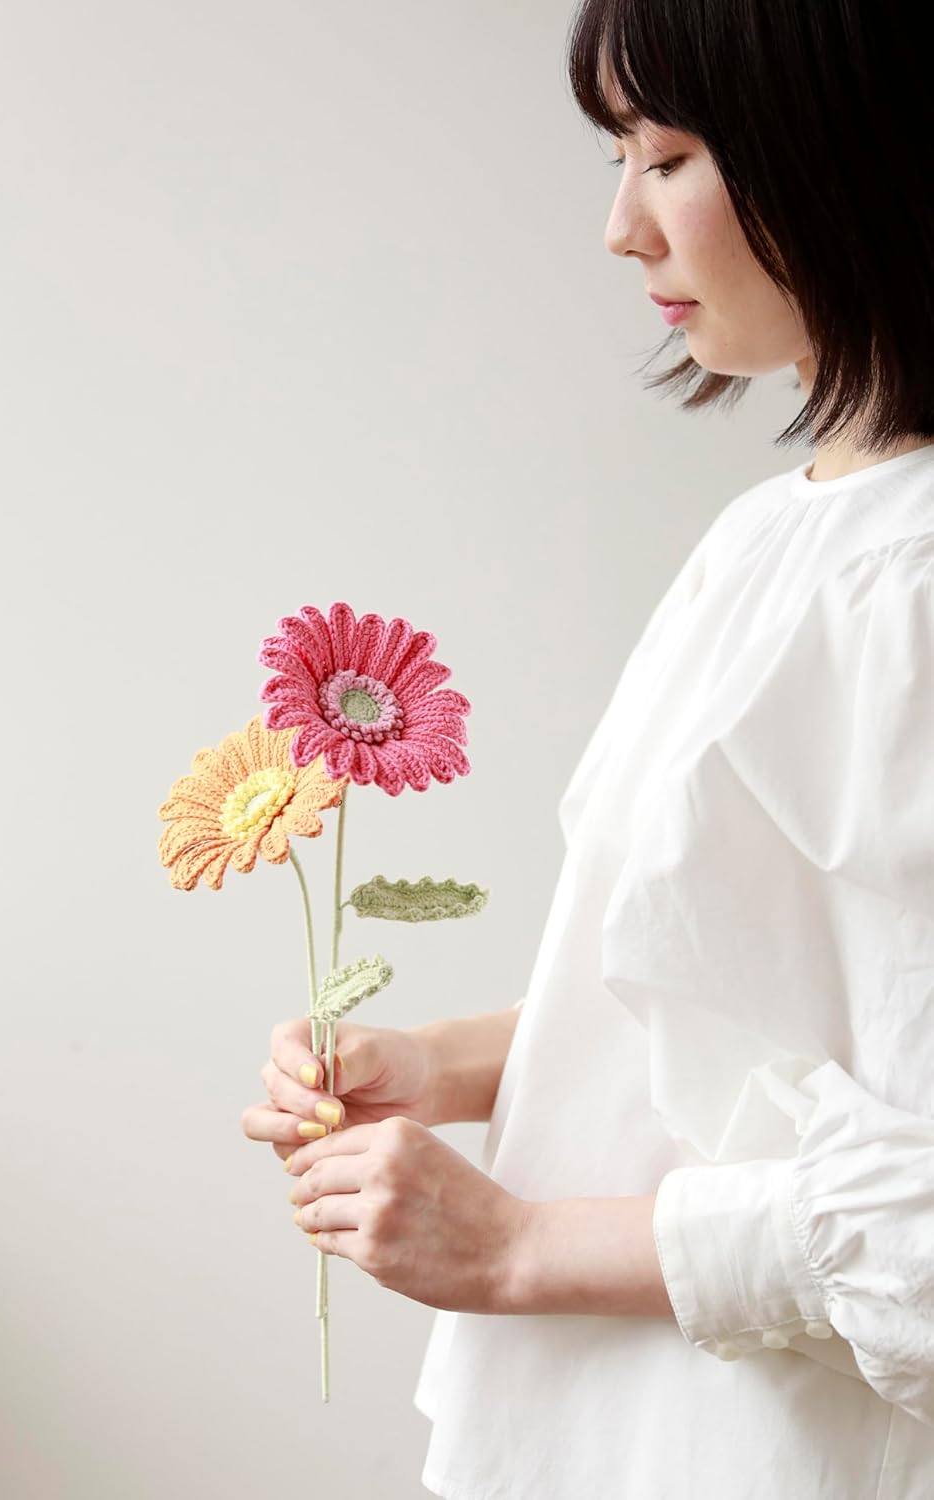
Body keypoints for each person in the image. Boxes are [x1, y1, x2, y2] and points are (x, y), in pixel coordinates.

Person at [241, 0, 934, 1493]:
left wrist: (522, 1246)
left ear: (857, 142)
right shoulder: (777, 538)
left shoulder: (914, 585)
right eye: (619, 158)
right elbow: (730, 1006)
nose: (621, 228)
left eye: (669, 156)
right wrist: (441, 1063)